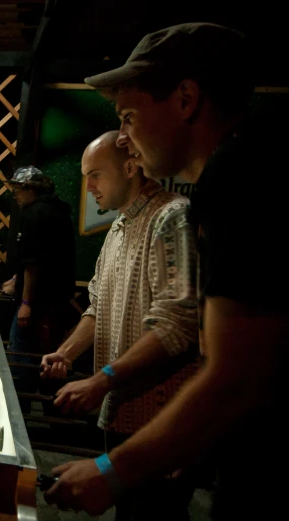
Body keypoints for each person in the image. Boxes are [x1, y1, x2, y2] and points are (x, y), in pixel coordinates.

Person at [43, 23, 289, 519]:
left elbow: (235, 374)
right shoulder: (253, 166)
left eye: (129, 115)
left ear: (185, 99)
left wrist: (115, 469)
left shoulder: (236, 175)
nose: (125, 136)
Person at [41, 131, 199, 520]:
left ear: (130, 167)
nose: (88, 186)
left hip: (163, 425)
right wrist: (65, 353)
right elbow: (98, 305)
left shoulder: (171, 216)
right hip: (124, 415)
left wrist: (102, 380)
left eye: (95, 174)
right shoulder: (117, 227)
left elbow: (177, 323)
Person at [0, 166, 76, 413]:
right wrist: (17, 279)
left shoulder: (34, 213)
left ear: (31, 189)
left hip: (38, 302)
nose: (16, 194)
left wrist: (25, 303)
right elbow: (45, 256)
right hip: (57, 300)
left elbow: (34, 263)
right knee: (49, 355)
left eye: (18, 189)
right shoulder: (59, 212)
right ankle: (52, 411)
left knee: (21, 355)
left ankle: (19, 413)